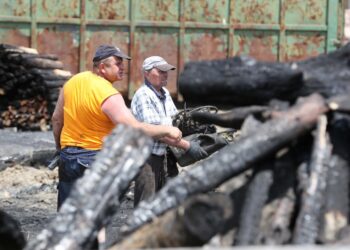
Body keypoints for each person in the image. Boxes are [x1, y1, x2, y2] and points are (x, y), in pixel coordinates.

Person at [51, 46, 185, 211]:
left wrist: (59, 147)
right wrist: (167, 130)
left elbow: (57, 119)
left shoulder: (73, 81)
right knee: (93, 219)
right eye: (117, 63)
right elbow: (135, 128)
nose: (122, 67)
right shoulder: (108, 94)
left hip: (68, 158)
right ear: (102, 67)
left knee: (67, 214)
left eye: (123, 63)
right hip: (94, 159)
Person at [131, 56, 207, 207]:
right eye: (160, 71)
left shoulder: (164, 93)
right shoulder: (144, 95)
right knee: (145, 205)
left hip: (163, 156)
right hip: (147, 158)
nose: (165, 75)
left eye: (166, 71)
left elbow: (173, 123)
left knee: (165, 203)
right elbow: (156, 132)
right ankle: (140, 231)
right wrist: (187, 146)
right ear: (146, 73)